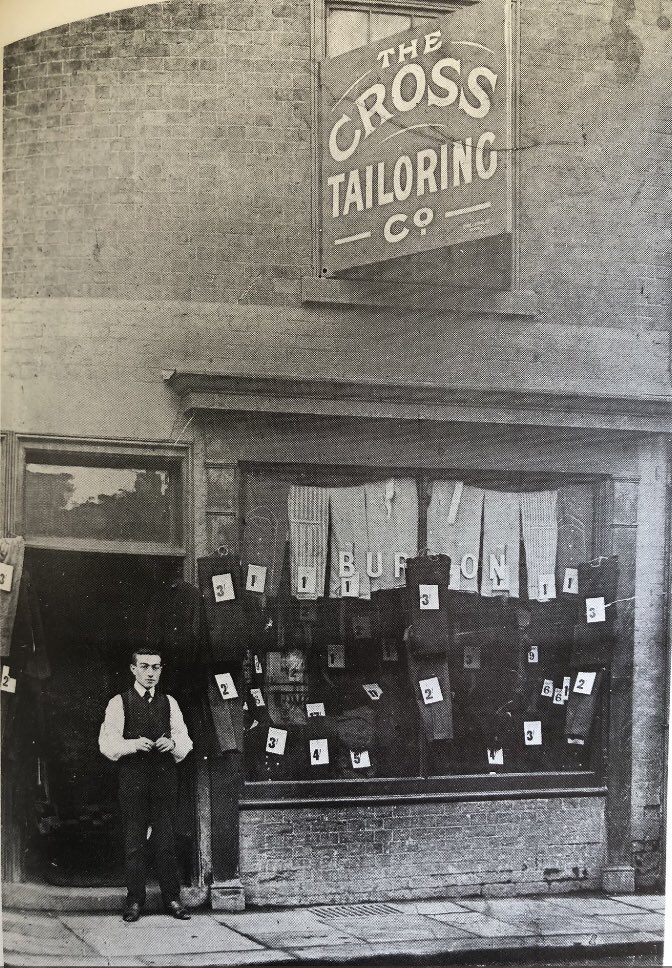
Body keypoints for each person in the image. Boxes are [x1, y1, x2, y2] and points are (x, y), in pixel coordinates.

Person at [99, 650, 193, 922]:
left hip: (164, 781)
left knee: (166, 841)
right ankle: (134, 900)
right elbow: (107, 744)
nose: (150, 673)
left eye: (156, 667)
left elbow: (185, 740)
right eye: (144, 666)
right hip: (133, 780)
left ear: (161, 669)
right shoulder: (119, 703)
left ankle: (172, 899)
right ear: (133, 669)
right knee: (134, 842)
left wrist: (172, 744)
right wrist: (133, 745)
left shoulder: (169, 702)